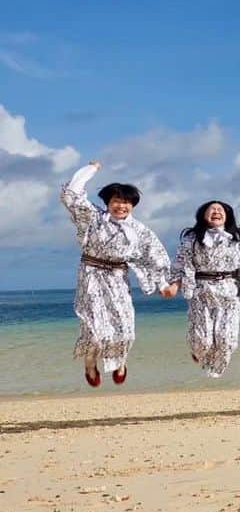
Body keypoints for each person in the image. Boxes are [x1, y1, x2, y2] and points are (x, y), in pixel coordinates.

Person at [60, 161, 173, 387]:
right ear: (108, 203)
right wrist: (91, 170)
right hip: (91, 276)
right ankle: (90, 362)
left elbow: (154, 256)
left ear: (133, 205)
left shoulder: (140, 231)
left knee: (125, 325)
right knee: (94, 327)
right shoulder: (93, 217)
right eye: (116, 201)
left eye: (126, 202)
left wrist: (163, 285)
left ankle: (120, 361)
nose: (121, 206)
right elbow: (72, 195)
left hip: (118, 278)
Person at [164, 200, 240, 377]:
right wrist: (173, 285)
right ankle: (199, 353)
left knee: (227, 340)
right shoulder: (191, 240)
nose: (216, 211)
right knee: (202, 342)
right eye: (212, 209)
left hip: (229, 292)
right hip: (201, 293)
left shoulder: (239, 240)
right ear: (203, 215)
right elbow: (179, 265)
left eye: (220, 209)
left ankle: (214, 376)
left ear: (227, 215)